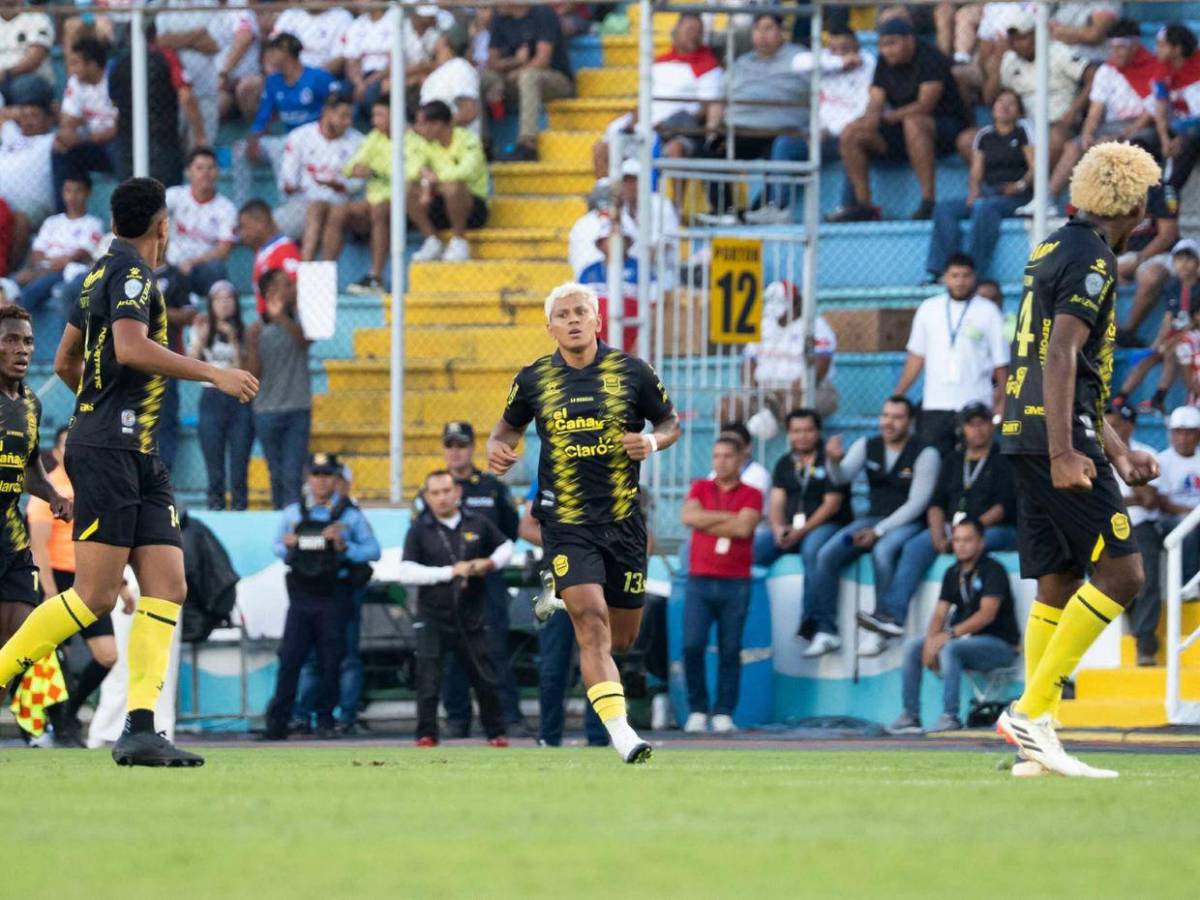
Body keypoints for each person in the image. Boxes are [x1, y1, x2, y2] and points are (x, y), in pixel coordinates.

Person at [0, 177, 259, 767]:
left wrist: (94, 405)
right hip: (113, 451)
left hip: (131, 449)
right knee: (92, 596)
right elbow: (130, 348)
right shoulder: (135, 276)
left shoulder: (96, 272)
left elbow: (68, 359)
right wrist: (212, 373)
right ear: (162, 225)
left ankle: (141, 727)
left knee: (168, 584)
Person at [997, 142, 1162, 778]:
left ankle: (1038, 740)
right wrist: (1069, 450)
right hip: (1051, 439)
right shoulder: (1094, 258)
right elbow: (1062, 353)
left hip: (1025, 429)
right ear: (1136, 201)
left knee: (1059, 581)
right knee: (1124, 575)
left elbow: (1068, 363)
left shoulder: (1054, 246)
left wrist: (1116, 451)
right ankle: (1032, 712)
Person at [487, 281, 680, 763]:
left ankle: (558, 595)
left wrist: (653, 443)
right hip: (567, 523)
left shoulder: (633, 372)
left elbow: (670, 423)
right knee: (590, 625)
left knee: (623, 637)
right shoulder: (533, 379)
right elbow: (505, 428)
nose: (573, 320)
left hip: (624, 523)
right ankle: (623, 736)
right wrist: (498, 448)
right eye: (563, 314)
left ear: (598, 321)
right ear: (550, 327)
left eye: (581, 312)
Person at [860, 401, 1017, 649]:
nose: (977, 430)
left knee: (981, 544)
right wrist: (938, 533)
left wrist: (965, 532)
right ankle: (893, 617)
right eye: (971, 424)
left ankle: (973, 620)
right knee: (914, 547)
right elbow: (936, 504)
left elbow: (1004, 506)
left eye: (982, 423)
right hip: (954, 529)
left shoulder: (1002, 459)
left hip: (990, 529)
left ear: (991, 425)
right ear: (962, 428)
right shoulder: (953, 459)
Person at [801, 396, 941, 657]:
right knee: (828, 553)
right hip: (871, 519)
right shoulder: (867, 445)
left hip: (908, 522)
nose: (889, 422)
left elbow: (917, 503)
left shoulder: (925, 453)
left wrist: (879, 531)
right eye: (885, 415)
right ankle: (826, 630)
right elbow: (841, 476)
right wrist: (833, 460)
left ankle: (882, 626)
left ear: (910, 422)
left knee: (883, 551)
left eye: (897, 417)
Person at [261, 453, 380, 740]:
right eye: (316, 474)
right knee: (290, 660)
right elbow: (277, 546)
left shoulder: (350, 515)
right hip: (301, 597)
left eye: (327, 475)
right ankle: (280, 723)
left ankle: (327, 721)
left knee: (332, 661)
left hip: (334, 596)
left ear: (337, 479)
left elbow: (373, 551)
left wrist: (343, 545)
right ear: (308, 478)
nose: (321, 481)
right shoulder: (292, 513)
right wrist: (288, 544)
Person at [398, 470, 511, 748]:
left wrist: (488, 564)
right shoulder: (419, 529)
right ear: (426, 497)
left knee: (485, 677)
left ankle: (496, 733)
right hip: (433, 615)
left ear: (457, 492)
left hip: (472, 614)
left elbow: (506, 547)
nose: (441, 498)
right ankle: (426, 734)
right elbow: (407, 572)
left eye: (446, 491)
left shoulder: (478, 522)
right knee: (428, 680)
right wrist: (450, 572)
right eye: (435, 493)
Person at [0, 307, 72, 728]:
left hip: (11, 535)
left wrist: (53, 494)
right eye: (10, 340)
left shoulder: (30, 403)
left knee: (23, 634)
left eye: (27, 341)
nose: (21, 349)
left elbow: (29, 468)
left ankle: (33, 724)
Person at [28, 427, 122, 745]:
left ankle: (69, 714)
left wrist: (119, 584)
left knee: (107, 655)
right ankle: (59, 728)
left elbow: (108, 540)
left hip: (91, 576)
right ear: (57, 453)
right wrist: (50, 590)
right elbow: (39, 546)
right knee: (55, 655)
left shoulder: (96, 488)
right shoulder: (50, 491)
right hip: (57, 577)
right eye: (67, 446)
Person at [828, 17, 969, 222]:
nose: (886, 50)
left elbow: (925, 105)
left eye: (892, 43)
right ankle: (863, 206)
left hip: (944, 130)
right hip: (900, 131)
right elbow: (876, 98)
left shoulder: (931, 58)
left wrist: (888, 116)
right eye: (882, 45)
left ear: (909, 40)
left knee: (914, 122)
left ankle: (928, 202)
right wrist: (870, 118)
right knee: (852, 132)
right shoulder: (884, 62)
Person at [887, 518, 1021, 734]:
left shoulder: (993, 569)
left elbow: (986, 615)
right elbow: (939, 614)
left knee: (950, 647)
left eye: (968, 540)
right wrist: (931, 642)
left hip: (999, 645)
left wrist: (947, 636)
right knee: (913, 647)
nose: (961, 545)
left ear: (981, 542)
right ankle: (910, 715)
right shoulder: (952, 572)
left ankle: (950, 716)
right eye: (957, 539)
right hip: (963, 642)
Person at [434, 420, 524, 738]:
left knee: (494, 649)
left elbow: (510, 533)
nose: (456, 452)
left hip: (487, 582)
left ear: (472, 448)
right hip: (449, 582)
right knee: (452, 651)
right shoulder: (434, 490)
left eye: (461, 445)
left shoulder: (492, 488)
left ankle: (506, 718)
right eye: (450, 445)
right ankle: (457, 720)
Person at [680, 436, 762, 734]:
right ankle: (698, 709)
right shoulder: (700, 487)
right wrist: (727, 517)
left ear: (741, 458)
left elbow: (744, 527)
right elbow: (688, 516)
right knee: (692, 645)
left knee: (730, 648)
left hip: (735, 581)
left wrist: (706, 520)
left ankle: (725, 711)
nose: (721, 461)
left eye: (728, 456)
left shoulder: (753, 493)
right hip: (699, 578)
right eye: (716, 456)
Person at [518, 480, 608, 748]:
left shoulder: (610, 474)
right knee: (552, 666)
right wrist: (572, 543)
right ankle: (549, 737)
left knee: (598, 659)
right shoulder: (548, 476)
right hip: (559, 583)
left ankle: (600, 736)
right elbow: (526, 527)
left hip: (598, 585)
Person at [894, 254, 1009, 453]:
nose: (960, 281)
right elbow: (916, 357)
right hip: (936, 403)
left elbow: (1001, 363)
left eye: (965, 276)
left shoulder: (988, 311)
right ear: (945, 277)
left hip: (976, 402)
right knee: (933, 460)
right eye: (954, 275)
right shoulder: (928, 309)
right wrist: (898, 394)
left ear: (974, 277)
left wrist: (1003, 401)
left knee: (972, 459)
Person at [1045, 20, 1161, 205]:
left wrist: (1122, 134)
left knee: (1108, 145)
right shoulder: (1106, 71)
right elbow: (1095, 111)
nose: (1115, 52)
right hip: (1110, 126)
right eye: (1112, 47)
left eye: (1121, 47)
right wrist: (1087, 133)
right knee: (1073, 146)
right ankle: (1046, 200)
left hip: (1143, 126)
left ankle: (1093, 205)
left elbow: (1154, 111)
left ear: (1135, 45)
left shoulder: (1154, 68)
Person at [925, 92, 1035, 281]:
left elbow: (1036, 167)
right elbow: (976, 171)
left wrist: (1019, 185)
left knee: (985, 208)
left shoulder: (1024, 131)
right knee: (944, 209)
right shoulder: (984, 136)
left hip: (1018, 196)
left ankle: (973, 271)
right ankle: (941, 270)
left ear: (1019, 112)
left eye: (1011, 104)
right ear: (992, 108)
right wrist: (974, 191)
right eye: (1000, 102)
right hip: (990, 192)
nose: (1004, 107)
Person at [719, 280, 840, 433]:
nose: (777, 316)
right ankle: (734, 452)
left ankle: (794, 454)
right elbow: (749, 364)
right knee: (727, 408)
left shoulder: (815, 326)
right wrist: (755, 392)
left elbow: (820, 366)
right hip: (765, 389)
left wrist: (793, 389)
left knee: (792, 406)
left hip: (807, 388)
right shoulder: (763, 325)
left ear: (797, 304)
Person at [983, 11, 1092, 172]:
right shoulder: (1009, 59)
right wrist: (999, 58)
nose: (1016, 44)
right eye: (1012, 40)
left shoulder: (1058, 52)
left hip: (1059, 123)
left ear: (1035, 34)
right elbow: (989, 99)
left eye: (1022, 38)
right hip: (1022, 127)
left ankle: (1032, 188)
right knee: (967, 140)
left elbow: (1094, 77)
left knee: (1055, 138)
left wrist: (1072, 113)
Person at [758, 409, 850, 584]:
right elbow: (776, 502)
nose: (802, 436)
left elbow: (832, 505)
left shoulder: (831, 460)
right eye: (796, 431)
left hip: (828, 525)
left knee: (813, 550)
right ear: (789, 433)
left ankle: (817, 612)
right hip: (791, 527)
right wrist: (778, 528)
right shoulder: (784, 462)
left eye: (808, 430)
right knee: (752, 551)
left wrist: (801, 531)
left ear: (818, 432)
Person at [246, 268, 312, 510]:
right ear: (271, 291)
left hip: (297, 407)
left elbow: (304, 341)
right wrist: (252, 346)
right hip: (266, 410)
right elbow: (253, 375)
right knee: (276, 472)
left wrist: (281, 318)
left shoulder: (300, 320)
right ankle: (279, 519)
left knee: (293, 473)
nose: (292, 288)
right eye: (286, 285)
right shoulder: (256, 330)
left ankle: (294, 520)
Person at [1104, 404, 1162, 666]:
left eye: (1115, 425)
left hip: (1139, 526)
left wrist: (1124, 464)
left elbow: (1148, 500)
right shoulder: (1092, 456)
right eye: (1106, 426)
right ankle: (1133, 619)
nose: (1109, 432)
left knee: (1147, 578)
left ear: (1129, 425)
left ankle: (1145, 642)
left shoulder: (1146, 454)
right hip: (1103, 527)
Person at [1112, 239, 1200, 410]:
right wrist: (1157, 344)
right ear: (1173, 262)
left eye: (1189, 259)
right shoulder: (1173, 286)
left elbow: (1196, 321)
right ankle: (1122, 397)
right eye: (1179, 259)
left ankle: (1159, 397)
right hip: (1176, 335)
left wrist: (1172, 341)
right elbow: (1168, 319)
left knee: (1172, 352)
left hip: (1193, 336)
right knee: (1149, 356)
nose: (1184, 265)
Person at [276, 93, 364, 262]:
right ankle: (308, 271)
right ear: (327, 113)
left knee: (327, 210)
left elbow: (358, 183)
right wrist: (294, 186)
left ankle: (310, 272)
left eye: (350, 117)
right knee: (315, 207)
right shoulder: (300, 136)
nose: (348, 123)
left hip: (340, 205)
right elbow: (288, 179)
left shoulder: (357, 141)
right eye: (343, 116)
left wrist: (336, 184)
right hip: (301, 204)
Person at [190, 280, 253, 510]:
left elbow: (243, 369)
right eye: (219, 299)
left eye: (229, 298)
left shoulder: (246, 331)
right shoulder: (201, 328)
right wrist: (202, 337)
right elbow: (192, 364)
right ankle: (215, 506)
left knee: (239, 461)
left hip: (238, 398)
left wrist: (234, 339)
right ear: (211, 304)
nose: (225, 303)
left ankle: (239, 507)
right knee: (213, 461)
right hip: (211, 397)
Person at [485, 3, 574, 162]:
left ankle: (528, 145)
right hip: (514, 78)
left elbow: (543, 59)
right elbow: (492, 62)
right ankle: (483, 144)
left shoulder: (542, 13)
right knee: (484, 79)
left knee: (528, 76)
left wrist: (519, 71)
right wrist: (514, 61)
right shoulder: (499, 18)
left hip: (555, 80)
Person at [406, 100, 489, 263]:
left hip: (472, 208)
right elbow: (410, 168)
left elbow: (467, 171)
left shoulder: (468, 140)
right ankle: (432, 241)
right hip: (439, 205)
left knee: (454, 187)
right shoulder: (424, 142)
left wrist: (435, 180)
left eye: (422, 124)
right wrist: (424, 175)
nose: (417, 128)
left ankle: (459, 242)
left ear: (437, 125)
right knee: (408, 189)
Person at [244, 32, 339, 173]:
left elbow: (338, 103)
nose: (269, 56)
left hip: (317, 138)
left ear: (285, 52)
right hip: (290, 138)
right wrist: (254, 138)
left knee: (282, 150)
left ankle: (286, 193)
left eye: (273, 51)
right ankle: (245, 195)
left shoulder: (318, 77)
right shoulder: (273, 81)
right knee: (240, 150)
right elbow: (264, 114)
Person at [324, 94, 392, 291]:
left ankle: (375, 278)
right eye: (373, 115)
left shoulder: (411, 140)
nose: (373, 121)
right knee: (338, 211)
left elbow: (411, 173)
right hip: (374, 201)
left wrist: (375, 172)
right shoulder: (373, 138)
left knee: (378, 209)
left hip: (402, 203)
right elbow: (350, 166)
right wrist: (355, 169)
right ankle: (325, 277)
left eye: (379, 115)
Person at [10, 175, 101, 313]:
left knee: (29, 293)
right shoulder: (52, 222)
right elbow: (37, 253)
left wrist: (50, 265)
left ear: (88, 193)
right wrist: (40, 268)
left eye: (78, 191)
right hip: (42, 270)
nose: (72, 196)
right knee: (7, 284)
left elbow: (79, 255)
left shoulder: (93, 223)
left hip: (66, 272)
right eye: (68, 191)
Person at [51, 37, 119, 202]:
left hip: (118, 145)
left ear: (93, 65)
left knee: (116, 149)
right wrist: (66, 136)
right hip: (92, 142)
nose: (70, 69)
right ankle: (68, 215)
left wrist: (81, 137)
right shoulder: (76, 82)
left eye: (75, 63)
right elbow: (67, 121)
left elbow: (118, 129)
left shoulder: (116, 78)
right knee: (60, 148)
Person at [164, 148, 238, 299]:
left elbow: (224, 250)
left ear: (218, 172)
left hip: (200, 268)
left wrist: (192, 262)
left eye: (210, 168)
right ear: (189, 172)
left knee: (217, 269)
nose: (205, 173)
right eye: (199, 168)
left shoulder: (226, 208)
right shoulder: (174, 195)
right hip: (170, 265)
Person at [1152, 405, 1200, 592]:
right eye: (1178, 433)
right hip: (1171, 520)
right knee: (1186, 527)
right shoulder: (1162, 460)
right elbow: (1163, 503)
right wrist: (1193, 515)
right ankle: (1188, 585)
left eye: (1189, 433)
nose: (1183, 438)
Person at [238, 199, 301, 316]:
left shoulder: (284, 249)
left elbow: (298, 286)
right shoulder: (263, 252)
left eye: (244, 227)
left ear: (260, 223)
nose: (242, 234)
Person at [421, 23, 483, 136]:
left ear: (444, 41)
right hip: (432, 146)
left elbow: (469, 112)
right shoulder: (438, 72)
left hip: (458, 146)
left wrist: (438, 129)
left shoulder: (461, 67)